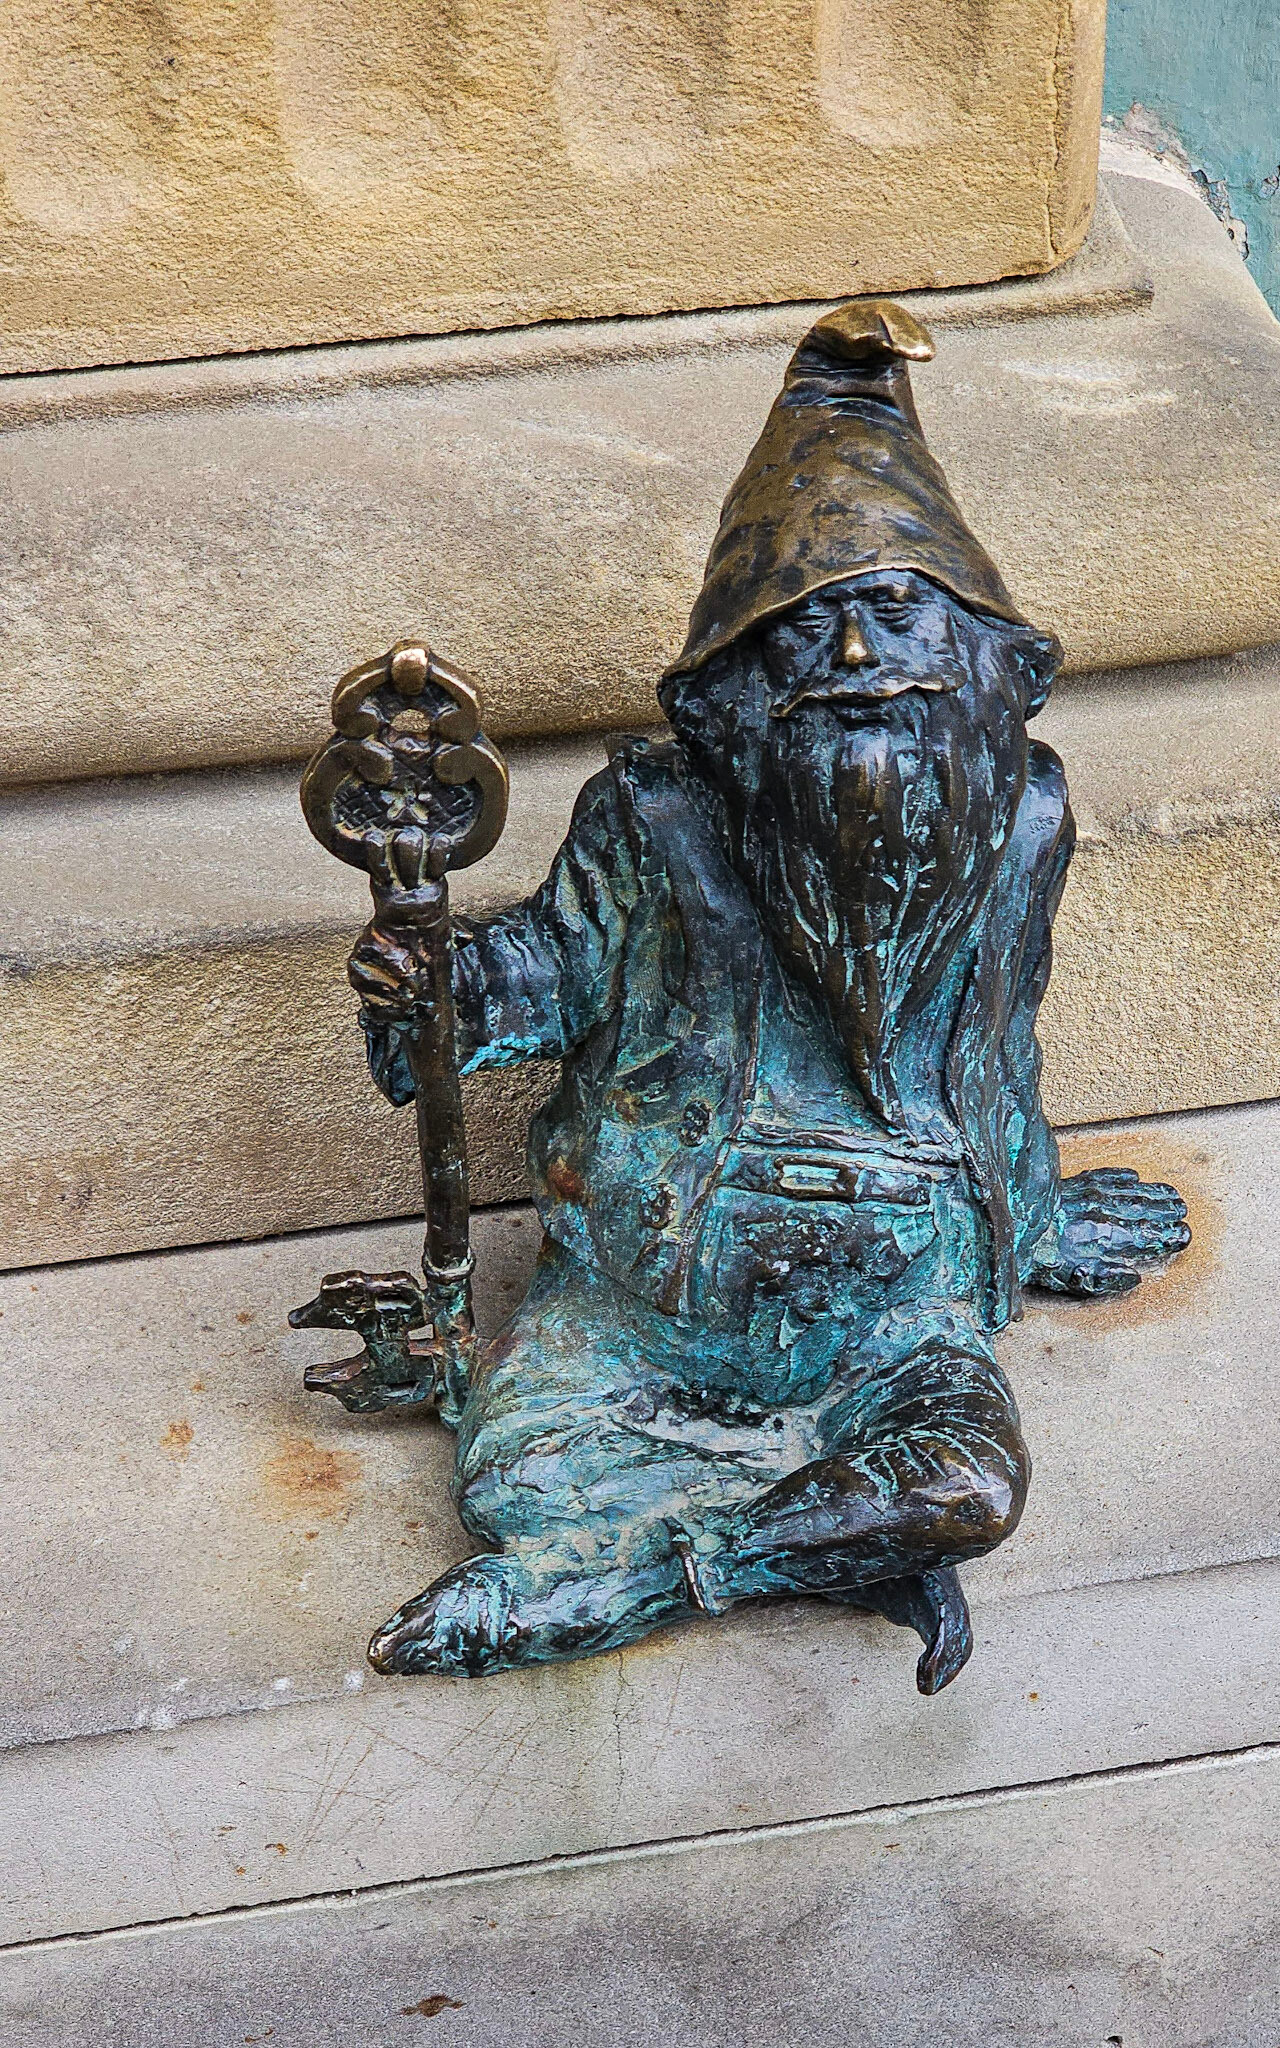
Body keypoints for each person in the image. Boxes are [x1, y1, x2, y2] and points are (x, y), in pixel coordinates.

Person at [346, 298, 1188, 1692]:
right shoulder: (654, 821)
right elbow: (545, 970)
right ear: (724, 699)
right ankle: (822, 1539)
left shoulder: (1023, 824)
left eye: (896, 613)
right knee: (519, 1479)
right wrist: (436, 984)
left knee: (970, 1483)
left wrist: (1029, 1213)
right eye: (805, 632)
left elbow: (999, 1051)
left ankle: (641, 1578)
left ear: (1000, 664)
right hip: (645, 1307)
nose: (856, 663)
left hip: (902, 1316)